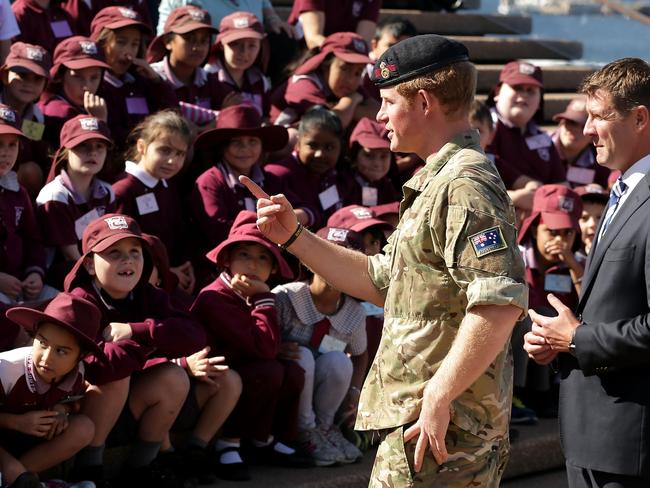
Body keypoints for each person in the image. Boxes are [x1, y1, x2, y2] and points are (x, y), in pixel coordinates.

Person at [241, 34, 527, 486]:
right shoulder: (438, 178)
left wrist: (439, 393)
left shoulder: (464, 184)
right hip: (428, 420)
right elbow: (382, 279)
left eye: (389, 101)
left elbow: (498, 303)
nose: (379, 115)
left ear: (425, 102)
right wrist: (294, 237)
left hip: (443, 428)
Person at [524, 57, 650, 487]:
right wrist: (562, 344)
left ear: (640, 118)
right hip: (598, 438)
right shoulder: (626, 190)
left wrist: (577, 338)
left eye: (599, 117)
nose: (588, 129)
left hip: (630, 449)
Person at [64, 213, 206, 487]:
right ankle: (88, 470)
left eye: (135, 251)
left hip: (129, 407)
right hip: (80, 414)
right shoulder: (79, 301)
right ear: (91, 264)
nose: (127, 260)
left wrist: (137, 330)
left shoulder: (147, 295)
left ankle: (142, 466)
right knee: (115, 375)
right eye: (114, 252)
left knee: (173, 377)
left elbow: (194, 335)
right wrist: (143, 348)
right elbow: (99, 367)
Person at [191, 211, 306, 480]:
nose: (253, 265)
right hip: (214, 377)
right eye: (244, 255)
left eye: (263, 257)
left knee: (292, 371)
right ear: (227, 259)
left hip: (245, 363)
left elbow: (265, 345)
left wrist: (273, 346)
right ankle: (227, 443)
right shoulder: (215, 297)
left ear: (274, 267)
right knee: (267, 371)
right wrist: (264, 299)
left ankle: (264, 439)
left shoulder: (254, 293)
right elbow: (261, 348)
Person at [273, 225, 368, 467]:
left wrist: (354, 393)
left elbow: (360, 355)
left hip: (321, 393)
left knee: (339, 360)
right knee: (302, 355)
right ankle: (305, 431)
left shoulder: (354, 312)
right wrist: (277, 349)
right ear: (309, 260)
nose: (334, 264)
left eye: (344, 258)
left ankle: (325, 428)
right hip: (283, 397)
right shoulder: (285, 296)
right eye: (327, 255)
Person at [0, 293, 104, 487]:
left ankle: (19, 479)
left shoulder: (78, 374)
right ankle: (17, 477)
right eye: (42, 343)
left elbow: (73, 401)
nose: (46, 359)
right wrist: (15, 422)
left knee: (84, 428)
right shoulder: (5, 370)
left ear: (81, 356)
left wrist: (61, 411)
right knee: (13, 470)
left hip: (28, 447)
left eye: (62, 351)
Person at [112, 109, 196, 294]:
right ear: (142, 147)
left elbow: (178, 230)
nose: (172, 160)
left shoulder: (167, 183)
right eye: (164, 150)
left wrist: (184, 264)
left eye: (180, 154)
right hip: (140, 282)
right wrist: (164, 272)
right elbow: (122, 245)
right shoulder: (124, 189)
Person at [36, 115, 115, 290]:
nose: (93, 152)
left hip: (96, 268)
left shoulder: (107, 191)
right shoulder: (55, 195)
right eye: (83, 146)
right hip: (61, 275)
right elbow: (70, 254)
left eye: (99, 146)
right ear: (66, 151)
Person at [0, 104, 56, 306]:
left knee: (68, 304)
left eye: (12, 144)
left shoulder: (17, 191)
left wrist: (35, 273)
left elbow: (32, 239)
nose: (6, 153)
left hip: (21, 287)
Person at [39, 36, 110, 152]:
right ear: (59, 76)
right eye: (77, 76)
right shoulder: (58, 112)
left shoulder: (97, 106)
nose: (87, 86)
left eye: (94, 77)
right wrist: (99, 121)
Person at [0, 42, 52, 199]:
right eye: (22, 75)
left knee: (32, 171)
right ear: (4, 75)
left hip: (10, 177)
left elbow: (31, 152)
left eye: (37, 78)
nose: (29, 84)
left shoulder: (36, 117)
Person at [552, 95, 611, 188]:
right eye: (571, 122)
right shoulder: (537, 151)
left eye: (583, 125)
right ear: (561, 123)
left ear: (593, 133)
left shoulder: (600, 161)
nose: (575, 130)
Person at [287, 0, 380, 49]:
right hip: (302, 57)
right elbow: (313, 40)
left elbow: (362, 43)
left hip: (346, 62)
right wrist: (344, 54)